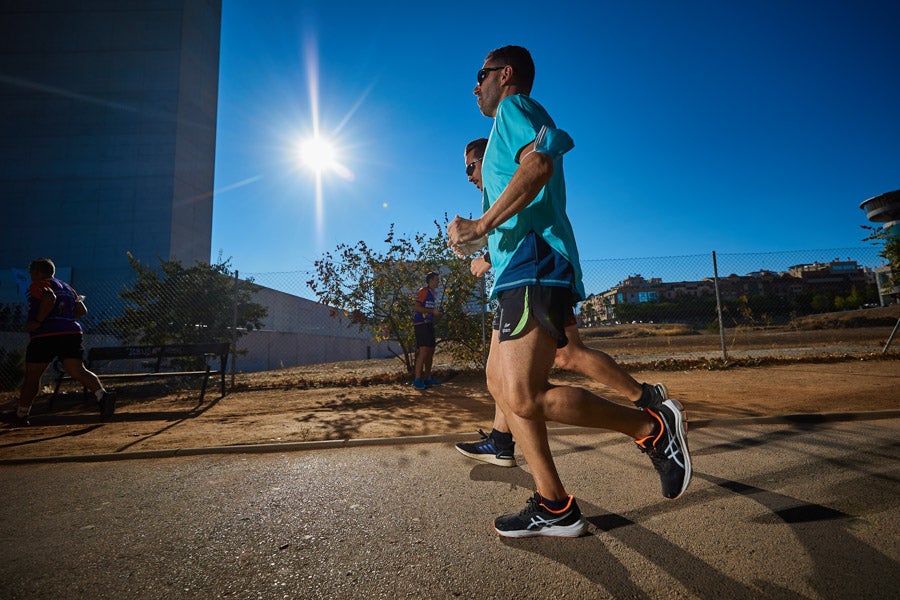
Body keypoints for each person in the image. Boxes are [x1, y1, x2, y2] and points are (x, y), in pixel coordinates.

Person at [447, 46, 691, 538]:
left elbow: (539, 169)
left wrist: (480, 225)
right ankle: (554, 505)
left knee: (525, 393)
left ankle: (652, 430)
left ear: (505, 75)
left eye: (481, 75)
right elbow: (525, 188)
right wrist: (488, 244)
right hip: (515, 269)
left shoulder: (515, 110)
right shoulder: (502, 135)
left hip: (534, 264)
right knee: (502, 387)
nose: (475, 86)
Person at [454, 138, 669, 469]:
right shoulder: (503, 183)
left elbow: (528, 204)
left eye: (470, 167)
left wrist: (482, 239)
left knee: (525, 391)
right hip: (527, 275)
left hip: (534, 275)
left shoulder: (512, 141)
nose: (468, 176)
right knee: (549, 361)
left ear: (489, 157)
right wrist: (486, 248)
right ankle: (502, 440)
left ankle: (649, 424)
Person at [0, 258, 115, 424]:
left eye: (31, 272)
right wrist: (63, 318)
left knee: (33, 375)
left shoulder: (40, 284)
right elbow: (82, 310)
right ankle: (102, 396)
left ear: (38, 272)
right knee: (78, 370)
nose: (31, 275)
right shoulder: (68, 288)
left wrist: (39, 320)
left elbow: (49, 298)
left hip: (45, 335)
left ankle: (21, 414)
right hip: (71, 332)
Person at [412, 271, 442, 390]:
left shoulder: (433, 293)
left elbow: (430, 309)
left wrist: (437, 313)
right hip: (420, 324)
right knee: (423, 351)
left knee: (430, 352)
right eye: (436, 279)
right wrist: (431, 312)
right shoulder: (423, 291)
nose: (438, 281)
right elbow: (416, 307)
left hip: (429, 324)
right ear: (430, 280)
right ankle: (417, 380)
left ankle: (428, 377)